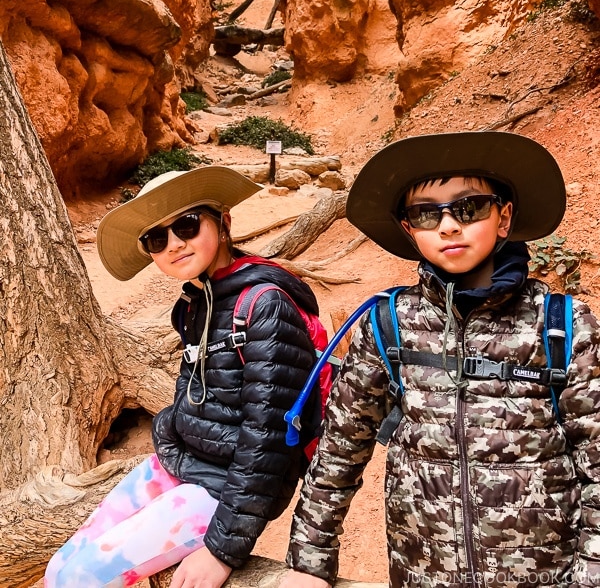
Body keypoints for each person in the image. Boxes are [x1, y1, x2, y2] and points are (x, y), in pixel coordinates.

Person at [282, 130, 600, 588]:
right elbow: (340, 449)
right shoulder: (388, 324)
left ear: (504, 217)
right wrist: (308, 561)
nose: (449, 226)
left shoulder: (563, 327)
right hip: (421, 575)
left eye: (469, 208)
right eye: (426, 214)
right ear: (410, 231)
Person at [45, 165, 322, 588]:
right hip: (184, 463)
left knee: (77, 580)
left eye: (187, 225)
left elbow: (269, 439)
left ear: (223, 222)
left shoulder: (264, 305)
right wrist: (169, 430)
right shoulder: (196, 302)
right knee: (56, 571)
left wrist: (221, 550)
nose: (174, 244)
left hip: (224, 489)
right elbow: (193, 391)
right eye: (158, 239)